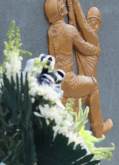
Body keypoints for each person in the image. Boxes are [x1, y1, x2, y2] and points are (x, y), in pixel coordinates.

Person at [44, 0, 112, 138]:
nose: (64, 7)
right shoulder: (70, 30)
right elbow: (82, 46)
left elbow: (72, 28)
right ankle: (99, 129)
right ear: (59, 11)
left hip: (58, 80)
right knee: (94, 86)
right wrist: (96, 50)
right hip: (70, 79)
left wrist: (71, 7)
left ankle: (71, 129)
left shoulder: (51, 31)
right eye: (61, 5)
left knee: (75, 101)